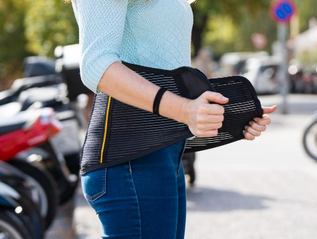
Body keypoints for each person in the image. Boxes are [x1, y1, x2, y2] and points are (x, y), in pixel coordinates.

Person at [70, 0, 276, 238]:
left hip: (163, 154)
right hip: (130, 161)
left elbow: (166, 66)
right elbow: (97, 65)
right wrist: (185, 110)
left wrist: (231, 117)